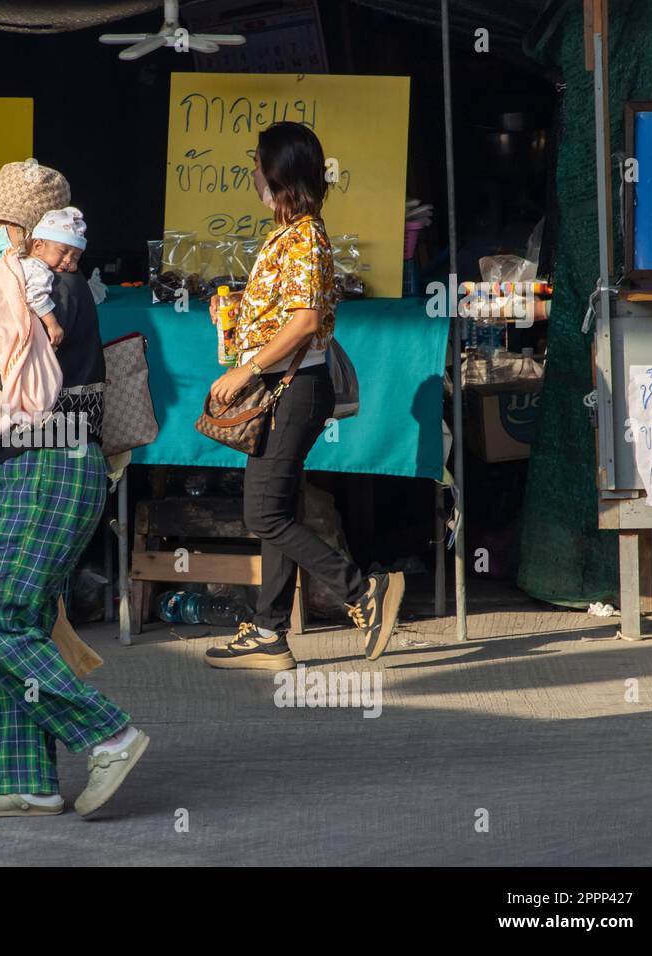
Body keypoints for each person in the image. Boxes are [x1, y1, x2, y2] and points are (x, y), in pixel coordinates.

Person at [0, 160, 148, 818]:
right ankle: (23, 779)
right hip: (48, 464)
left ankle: (108, 734)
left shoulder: (43, 286)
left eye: (1, 223)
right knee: (25, 621)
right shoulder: (63, 283)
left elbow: (2, 364)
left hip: (44, 466)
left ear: (23, 229)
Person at [203, 121, 405, 671]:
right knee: (278, 508)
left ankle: (362, 590)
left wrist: (246, 368)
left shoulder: (304, 237)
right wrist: (243, 312)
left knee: (264, 514)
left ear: (277, 175)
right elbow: (290, 311)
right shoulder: (292, 235)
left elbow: (305, 321)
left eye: (257, 166)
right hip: (289, 387)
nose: (252, 175)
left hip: (291, 389)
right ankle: (269, 631)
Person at [0, 206, 87, 421]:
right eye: (63, 252)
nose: (68, 261)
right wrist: (52, 324)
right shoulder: (38, 270)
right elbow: (35, 297)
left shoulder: (22, 263)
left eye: (75, 257)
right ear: (38, 245)